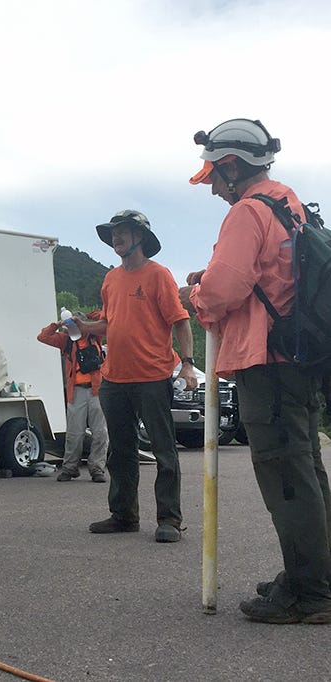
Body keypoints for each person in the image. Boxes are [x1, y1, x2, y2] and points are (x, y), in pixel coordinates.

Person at [181, 118, 331, 624]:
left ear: (230, 166)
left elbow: (225, 292)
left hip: (266, 361)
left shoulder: (248, 211)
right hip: (299, 357)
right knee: (306, 468)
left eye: (215, 175)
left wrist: (196, 293)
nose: (214, 189)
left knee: (286, 475)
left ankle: (311, 593)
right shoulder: (288, 202)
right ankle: (313, 572)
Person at [75, 210, 197, 543]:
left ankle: (169, 519)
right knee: (121, 450)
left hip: (152, 376)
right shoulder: (111, 279)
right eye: (113, 233)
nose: (116, 238)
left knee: (163, 449)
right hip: (114, 378)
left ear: (139, 237)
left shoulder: (159, 275)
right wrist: (85, 327)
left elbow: (181, 322)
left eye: (123, 232)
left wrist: (187, 364)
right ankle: (124, 515)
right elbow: (112, 324)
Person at [37, 312, 108, 482]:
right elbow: (43, 337)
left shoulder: (95, 335)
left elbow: (107, 321)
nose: (74, 329)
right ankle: (70, 468)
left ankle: (97, 468)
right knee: (74, 433)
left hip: (96, 390)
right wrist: (57, 324)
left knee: (100, 433)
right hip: (76, 391)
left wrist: (90, 318)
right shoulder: (65, 340)